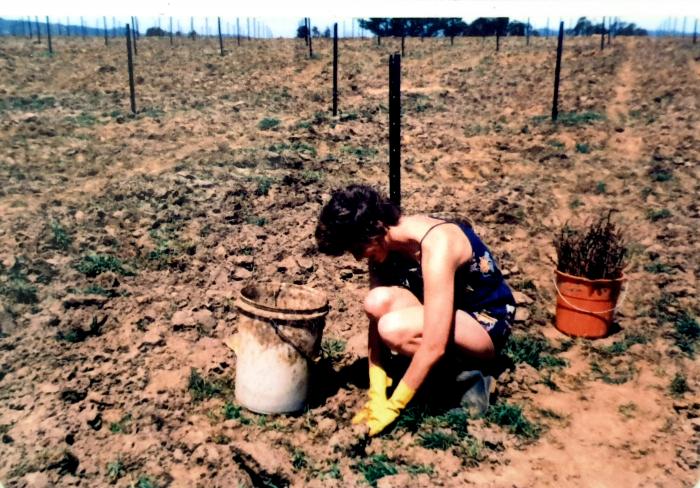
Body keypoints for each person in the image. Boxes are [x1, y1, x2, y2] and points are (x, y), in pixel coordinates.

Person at [315, 184, 516, 436]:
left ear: (373, 231)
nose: (357, 258)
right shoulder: (384, 244)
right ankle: (428, 374)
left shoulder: (435, 245)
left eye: (356, 249)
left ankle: (467, 378)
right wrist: (377, 391)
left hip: (484, 324)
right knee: (376, 301)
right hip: (447, 313)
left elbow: (434, 344)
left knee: (394, 329)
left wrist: (394, 406)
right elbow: (374, 320)